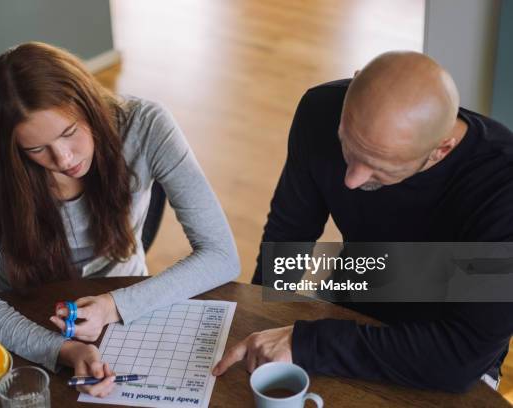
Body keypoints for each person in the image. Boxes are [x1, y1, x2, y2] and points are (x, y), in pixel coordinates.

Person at [213, 51, 513, 392]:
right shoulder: (320, 109)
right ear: (354, 84)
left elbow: (461, 355)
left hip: (442, 346)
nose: (352, 180)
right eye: (348, 145)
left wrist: (308, 342)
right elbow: (290, 231)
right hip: (354, 296)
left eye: (380, 170)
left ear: (441, 150)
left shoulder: (503, 185)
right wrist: (261, 317)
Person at [0, 42, 239, 398]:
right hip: (23, 315)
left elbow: (222, 256)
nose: (63, 158)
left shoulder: (146, 125)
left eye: (69, 132)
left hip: (127, 301)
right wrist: (63, 350)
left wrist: (115, 306)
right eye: (36, 149)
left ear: (89, 104)